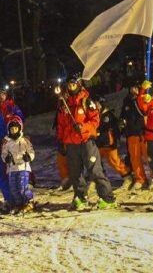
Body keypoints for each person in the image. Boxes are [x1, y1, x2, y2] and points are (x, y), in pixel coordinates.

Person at [55, 76, 116, 210]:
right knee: (75, 173)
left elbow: (95, 121)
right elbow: (61, 125)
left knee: (94, 170)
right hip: (71, 144)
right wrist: (61, 140)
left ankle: (107, 198)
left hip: (86, 141)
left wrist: (83, 127)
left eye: (73, 84)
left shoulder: (86, 101)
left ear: (78, 84)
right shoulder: (64, 103)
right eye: (69, 84)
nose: (71, 87)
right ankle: (80, 197)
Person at [94, 97, 132, 188]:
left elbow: (117, 127)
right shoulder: (94, 115)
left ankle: (127, 175)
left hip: (109, 143)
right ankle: (98, 180)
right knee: (95, 162)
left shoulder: (109, 115)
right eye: (95, 104)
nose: (96, 106)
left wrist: (116, 137)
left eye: (97, 104)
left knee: (114, 161)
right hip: (98, 143)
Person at [119, 80, 151, 189]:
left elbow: (145, 110)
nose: (134, 90)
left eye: (136, 87)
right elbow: (123, 115)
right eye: (132, 87)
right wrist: (122, 122)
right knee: (135, 158)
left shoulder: (143, 98)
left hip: (143, 132)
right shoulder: (126, 100)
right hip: (131, 133)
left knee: (149, 157)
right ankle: (140, 179)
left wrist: (143, 92)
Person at [1, 115, 35, 214]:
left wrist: (29, 157)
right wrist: (6, 158)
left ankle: (29, 201)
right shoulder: (7, 142)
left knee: (22, 187)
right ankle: (18, 203)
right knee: (13, 188)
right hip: (12, 168)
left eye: (16, 128)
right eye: (12, 129)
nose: (14, 130)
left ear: (19, 128)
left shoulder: (24, 141)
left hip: (22, 167)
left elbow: (31, 151)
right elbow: (3, 154)